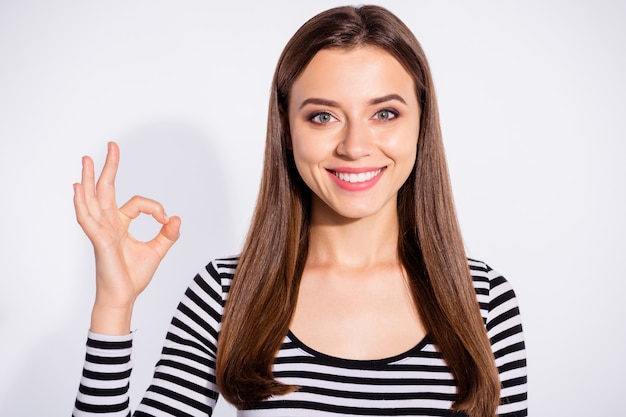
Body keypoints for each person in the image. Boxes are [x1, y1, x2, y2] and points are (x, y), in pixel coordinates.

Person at [72, 5, 527, 417]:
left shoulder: (484, 300)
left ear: (421, 124)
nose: (354, 146)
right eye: (323, 116)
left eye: (385, 113)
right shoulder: (227, 294)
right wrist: (114, 305)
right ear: (287, 130)